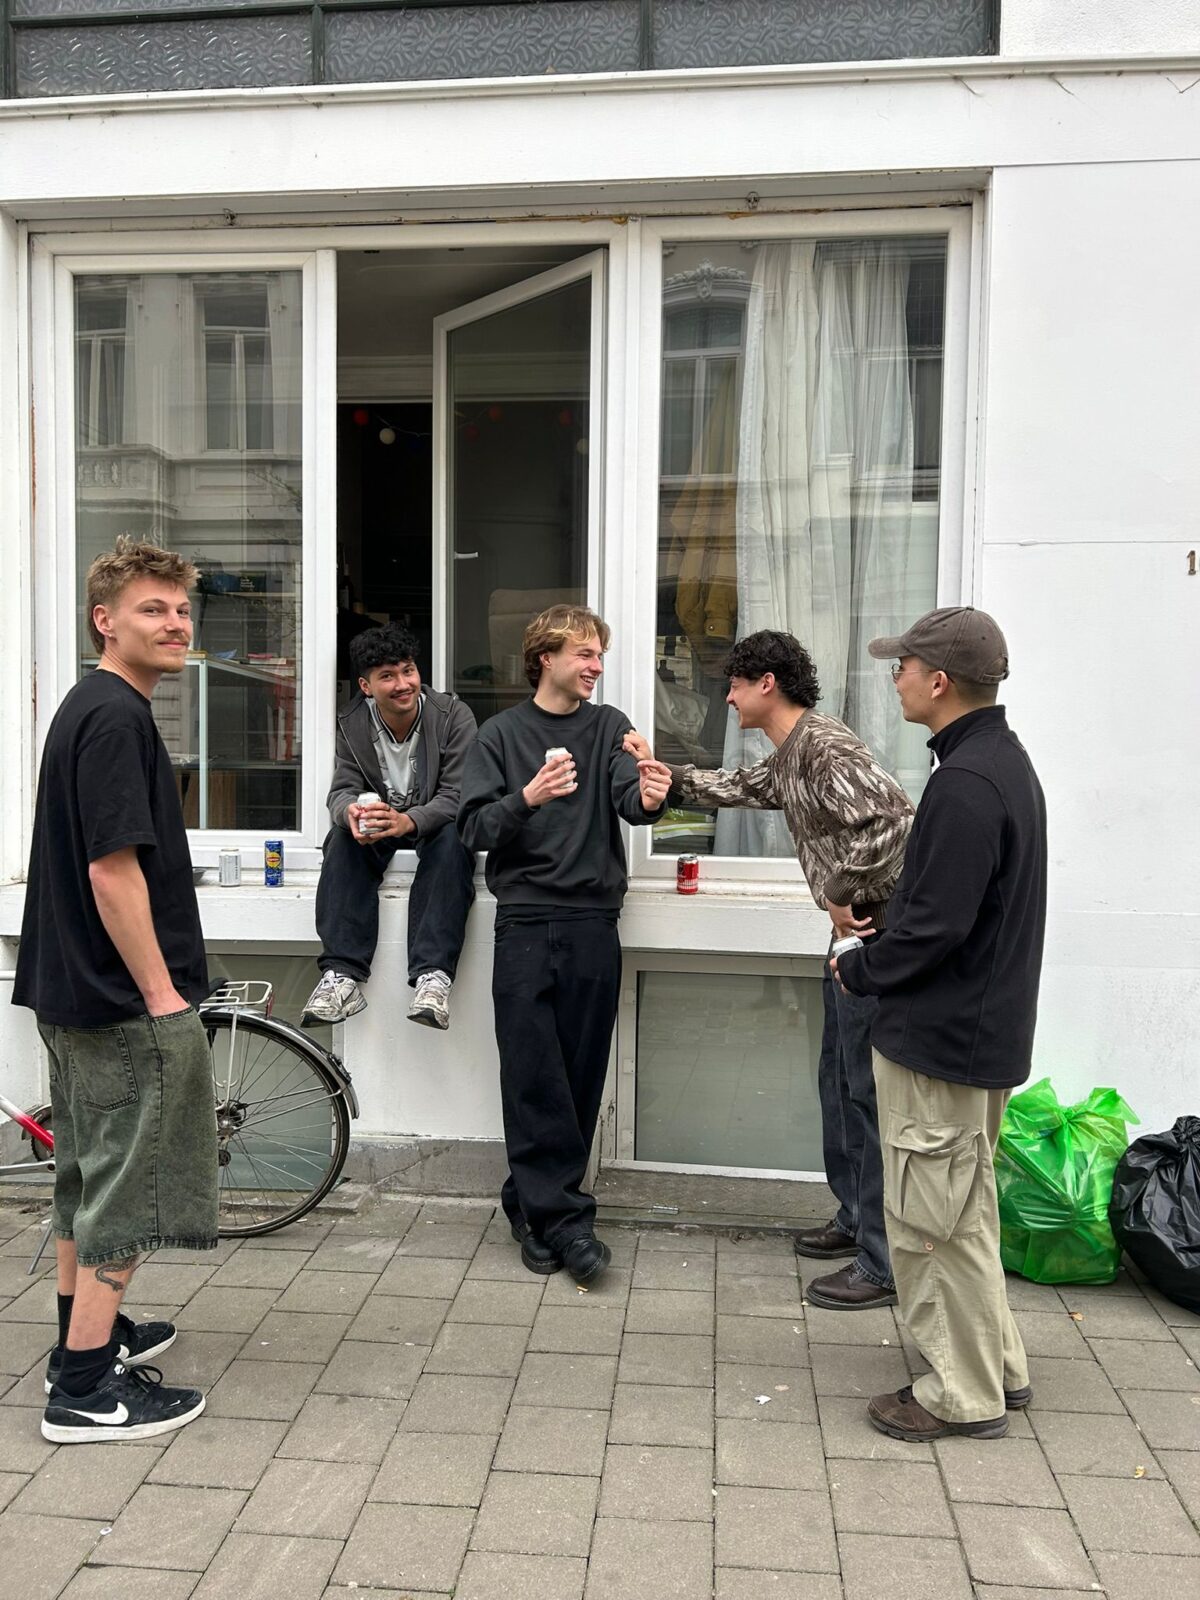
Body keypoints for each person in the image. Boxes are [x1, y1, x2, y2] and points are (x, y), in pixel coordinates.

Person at [626, 629, 913, 1309]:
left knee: (865, 1097)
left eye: (734, 683)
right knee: (838, 1083)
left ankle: (881, 1261)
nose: (725, 696)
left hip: (874, 931)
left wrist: (842, 891)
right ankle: (853, 1221)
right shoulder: (792, 753)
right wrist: (666, 777)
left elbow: (896, 822)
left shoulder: (825, 747)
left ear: (767, 685)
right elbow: (742, 787)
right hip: (853, 934)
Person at [13, 537, 217, 1443]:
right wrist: (162, 995)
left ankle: (81, 1344)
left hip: (75, 993)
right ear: (106, 620)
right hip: (120, 1002)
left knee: (85, 1179)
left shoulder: (93, 706)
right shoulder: (115, 719)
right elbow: (111, 873)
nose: (175, 624)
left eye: (181, 610)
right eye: (152, 610)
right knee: (125, 1192)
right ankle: (87, 1393)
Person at [832, 606, 1047, 1442]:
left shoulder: (964, 781)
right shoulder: (1000, 762)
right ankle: (999, 1366)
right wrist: (890, 912)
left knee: (930, 1222)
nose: (895, 678)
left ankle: (960, 1393)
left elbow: (940, 929)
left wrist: (860, 966)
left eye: (904, 666)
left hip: (941, 1040)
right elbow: (964, 903)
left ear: (940, 681)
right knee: (966, 1208)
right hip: (976, 1034)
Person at [458, 604, 672, 1286]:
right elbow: (473, 829)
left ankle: (531, 1209)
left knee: (577, 1075)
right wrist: (528, 796)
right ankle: (567, 1222)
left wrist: (652, 793)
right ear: (544, 656)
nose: (596, 666)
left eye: (600, 655)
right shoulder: (500, 734)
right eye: (584, 653)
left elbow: (629, 802)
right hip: (523, 923)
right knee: (531, 1077)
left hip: (591, 926)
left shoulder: (609, 726)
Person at [302, 623, 478, 1031]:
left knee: (454, 839)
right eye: (388, 676)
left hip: (433, 823)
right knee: (342, 838)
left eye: (408, 670)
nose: (403, 684)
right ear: (366, 686)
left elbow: (459, 795)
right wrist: (350, 813)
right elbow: (341, 790)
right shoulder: (351, 722)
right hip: (382, 824)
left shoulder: (452, 715)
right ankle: (341, 976)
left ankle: (433, 976)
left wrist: (408, 821)